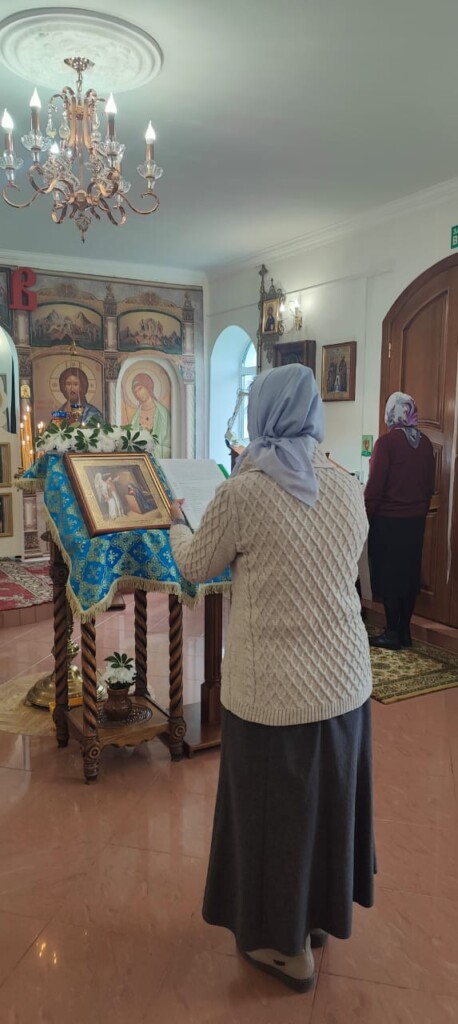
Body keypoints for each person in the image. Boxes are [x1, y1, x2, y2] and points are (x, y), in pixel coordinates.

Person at [169, 363, 375, 994]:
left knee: (273, 818)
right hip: (345, 685)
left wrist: (174, 520)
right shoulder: (346, 484)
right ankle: (314, 919)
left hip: (274, 694)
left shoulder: (244, 492)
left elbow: (195, 564)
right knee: (324, 807)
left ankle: (284, 948)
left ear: (262, 413)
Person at [364, 391, 435, 650]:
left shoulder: (386, 443)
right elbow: (429, 486)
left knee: (389, 577)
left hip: (388, 522)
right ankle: (405, 632)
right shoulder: (426, 444)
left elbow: (374, 488)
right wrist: (419, 511)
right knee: (408, 576)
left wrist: (364, 517)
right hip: (415, 522)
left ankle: (392, 633)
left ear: (390, 413)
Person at [129, 372, 172, 459]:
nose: (138, 393)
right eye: (135, 392)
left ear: (148, 387)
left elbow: (168, 444)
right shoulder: (135, 418)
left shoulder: (163, 414)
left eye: (140, 389)